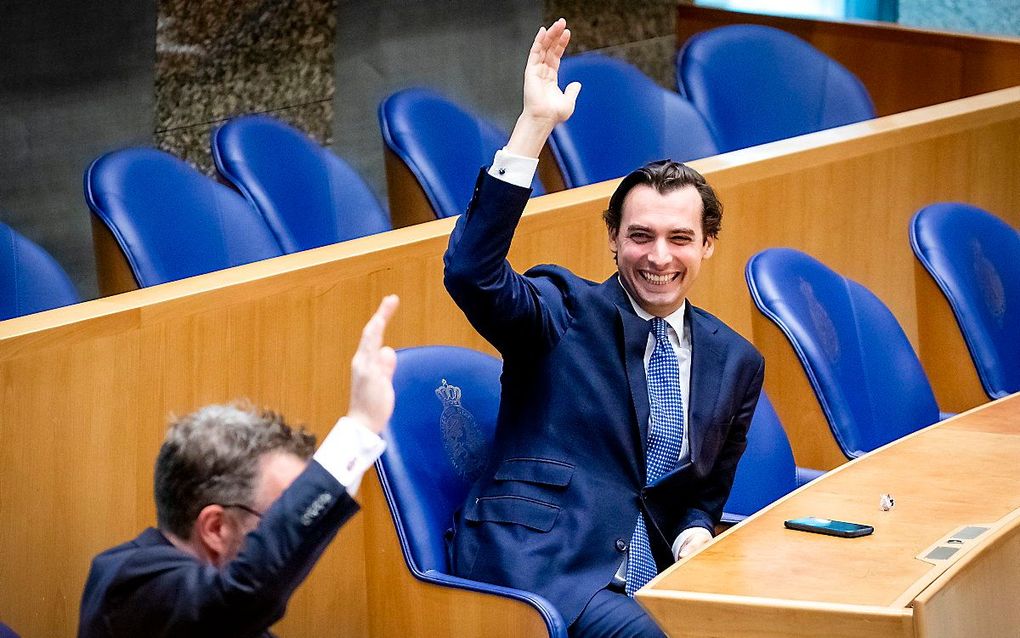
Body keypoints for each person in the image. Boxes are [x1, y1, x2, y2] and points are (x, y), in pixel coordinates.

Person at [444, 19, 764, 637]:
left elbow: (705, 490)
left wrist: (697, 530)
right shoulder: (563, 310)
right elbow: (471, 273)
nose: (659, 257)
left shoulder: (736, 360)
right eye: (640, 236)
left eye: (680, 239)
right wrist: (531, 129)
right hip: (546, 569)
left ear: (709, 246)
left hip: (661, 573)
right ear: (614, 239)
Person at [78, 295, 399, 638]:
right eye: (281, 518)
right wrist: (360, 426)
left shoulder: (225, 611)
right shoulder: (132, 587)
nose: (293, 539)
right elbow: (244, 590)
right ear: (216, 528)